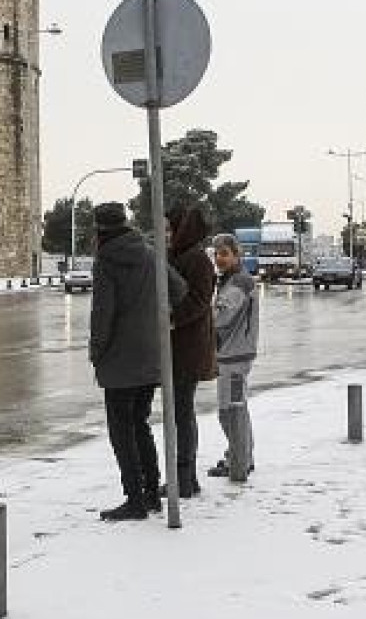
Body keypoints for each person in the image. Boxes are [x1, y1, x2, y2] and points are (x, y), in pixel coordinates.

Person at [88, 202, 186, 521]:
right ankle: (151, 493)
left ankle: (135, 500)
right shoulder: (148, 253)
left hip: (118, 360)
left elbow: (103, 313)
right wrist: (158, 316)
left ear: (99, 230)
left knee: (122, 432)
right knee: (141, 425)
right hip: (150, 355)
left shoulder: (106, 261)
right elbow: (179, 289)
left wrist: (96, 351)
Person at [165, 204, 217, 498]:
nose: (167, 234)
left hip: (189, 348)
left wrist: (171, 318)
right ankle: (185, 478)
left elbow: (199, 300)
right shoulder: (180, 255)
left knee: (182, 414)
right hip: (180, 347)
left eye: (171, 229)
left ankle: (184, 479)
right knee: (179, 413)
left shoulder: (196, 259)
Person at [207, 233, 259, 478]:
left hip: (235, 356)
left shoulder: (239, 282)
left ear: (237, 255)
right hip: (233, 354)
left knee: (230, 411)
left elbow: (221, 316)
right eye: (217, 254)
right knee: (236, 409)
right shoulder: (231, 279)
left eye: (225, 254)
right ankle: (240, 456)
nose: (219, 258)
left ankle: (239, 460)